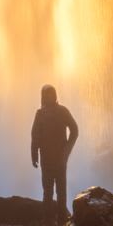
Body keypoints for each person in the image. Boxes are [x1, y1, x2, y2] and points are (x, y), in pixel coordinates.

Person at [30, 83, 79, 212]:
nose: (49, 97)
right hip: (46, 158)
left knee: (61, 190)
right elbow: (35, 136)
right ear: (43, 97)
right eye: (47, 94)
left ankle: (62, 218)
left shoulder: (63, 111)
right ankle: (48, 220)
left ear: (55, 95)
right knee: (47, 191)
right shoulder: (40, 114)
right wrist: (34, 155)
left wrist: (67, 151)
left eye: (52, 94)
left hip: (60, 158)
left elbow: (74, 130)